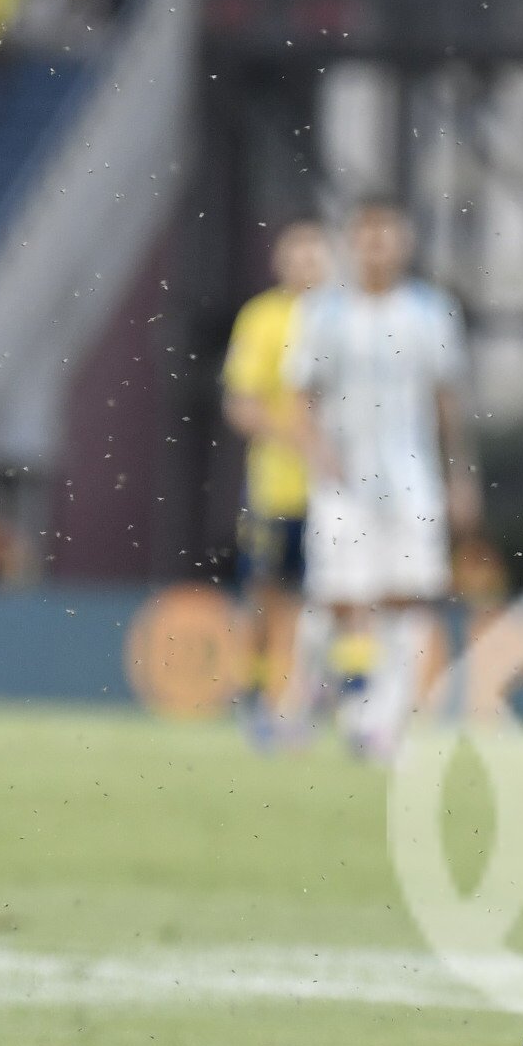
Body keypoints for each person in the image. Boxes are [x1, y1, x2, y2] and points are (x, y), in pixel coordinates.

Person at [285, 201, 478, 762]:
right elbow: (300, 394)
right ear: (352, 242)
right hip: (343, 481)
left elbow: (447, 401)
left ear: (405, 242)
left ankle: (383, 723)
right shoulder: (322, 313)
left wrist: (461, 475)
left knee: (408, 599)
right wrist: (319, 455)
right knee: (336, 598)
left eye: (387, 236)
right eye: (367, 236)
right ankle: (309, 699)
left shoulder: (431, 312)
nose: (378, 246)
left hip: (412, 479)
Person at [218, 220, 329, 747]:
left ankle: (310, 703)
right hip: (276, 487)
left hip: (337, 493)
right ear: (279, 262)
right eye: (297, 255)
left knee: (331, 599)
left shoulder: (346, 318)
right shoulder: (262, 318)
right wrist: (299, 437)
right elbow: (242, 404)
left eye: (316, 255)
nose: (307, 265)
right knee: (264, 595)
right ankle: (253, 696)